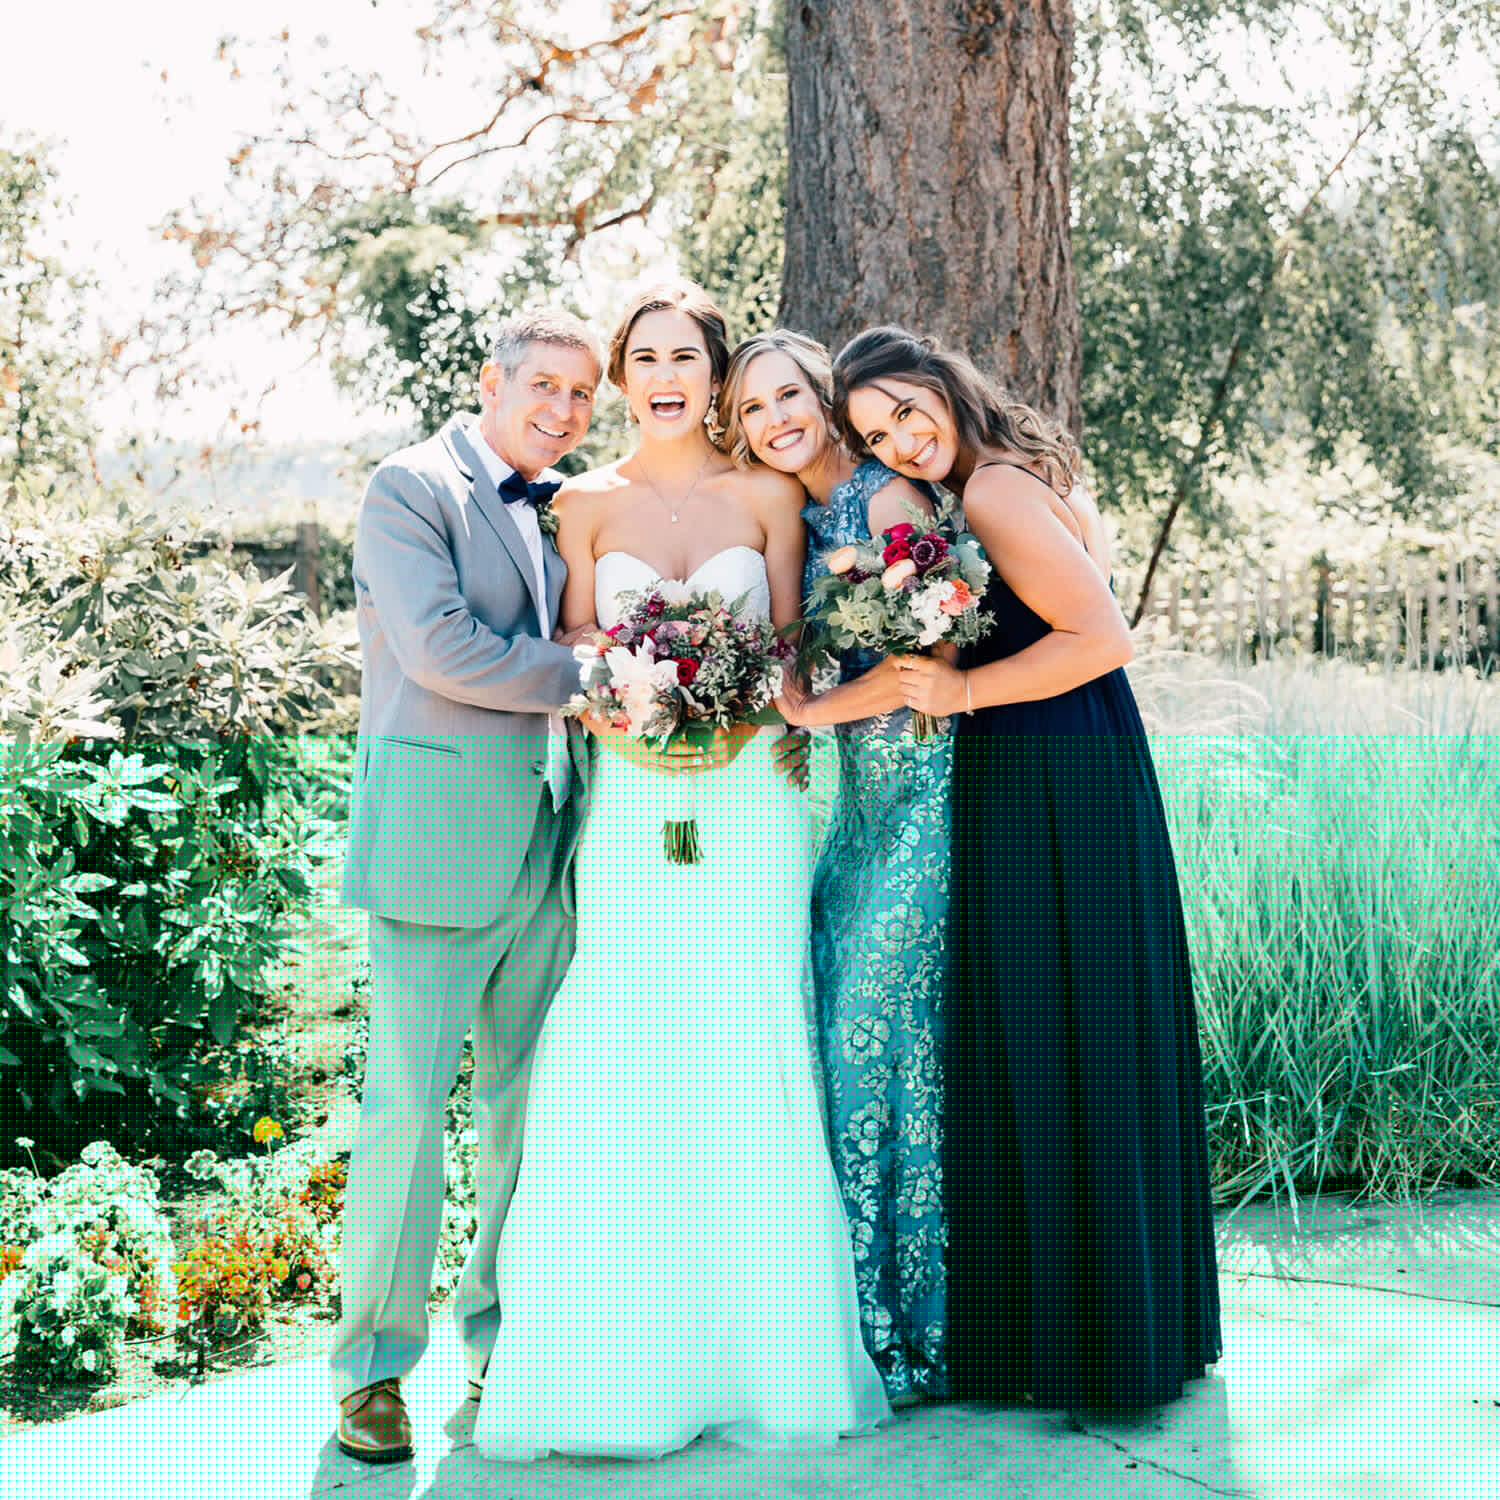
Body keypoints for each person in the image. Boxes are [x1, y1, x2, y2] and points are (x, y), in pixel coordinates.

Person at [331, 305, 812, 1463]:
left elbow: (772, 633)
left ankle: (507, 1340)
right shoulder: (412, 488)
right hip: (440, 849)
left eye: (576, 391)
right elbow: (446, 648)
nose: (561, 407)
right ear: (491, 381)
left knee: (529, 1114)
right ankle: (372, 1375)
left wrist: (757, 712)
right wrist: (622, 676)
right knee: (406, 1115)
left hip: (564, 846)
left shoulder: (561, 503)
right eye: (543, 384)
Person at [472, 283, 889, 1461]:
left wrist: (748, 728)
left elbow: (794, 649)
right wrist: (635, 731)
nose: (666, 374)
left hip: (754, 802)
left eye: (686, 357)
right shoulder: (584, 503)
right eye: (643, 356)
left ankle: (768, 1354)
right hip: (633, 807)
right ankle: (616, 1357)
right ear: (624, 375)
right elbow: (571, 648)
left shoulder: (766, 495)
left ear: (716, 376)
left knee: (749, 1032)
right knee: (627, 1035)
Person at [833, 326, 1222, 1413]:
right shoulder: (983, 482)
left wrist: (957, 695)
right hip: (1049, 764)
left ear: (946, 388)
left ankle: (1100, 1345)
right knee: (1067, 1030)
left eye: (910, 412)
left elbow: (1103, 635)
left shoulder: (996, 491)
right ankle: (1108, 1331)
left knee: (1067, 1029)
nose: (903, 442)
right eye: (876, 434)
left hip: (1060, 774)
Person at [718, 329, 950, 1404]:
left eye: (788, 396)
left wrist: (816, 708)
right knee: (860, 1050)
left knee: (870, 1032)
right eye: (753, 409)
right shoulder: (804, 525)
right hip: (860, 812)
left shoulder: (893, 500)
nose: (776, 419)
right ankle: (873, 1331)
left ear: (822, 393)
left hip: (936, 805)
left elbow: (927, 663)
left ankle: (916, 1332)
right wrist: (801, 716)